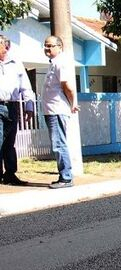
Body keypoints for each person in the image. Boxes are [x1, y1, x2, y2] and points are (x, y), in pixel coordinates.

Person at [42, 35, 80, 188]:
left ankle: (66, 177)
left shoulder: (60, 63)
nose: (47, 48)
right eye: (45, 45)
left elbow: (67, 87)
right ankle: (64, 176)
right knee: (57, 143)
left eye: (50, 46)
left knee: (59, 144)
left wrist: (73, 104)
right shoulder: (54, 63)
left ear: (59, 47)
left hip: (57, 110)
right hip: (51, 110)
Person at [0, 34, 35, 186]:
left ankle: (10, 174)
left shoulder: (16, 63)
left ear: (6, 47)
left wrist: (29, 106)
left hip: (12, 106)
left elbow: (25, 86)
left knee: (9, 142)